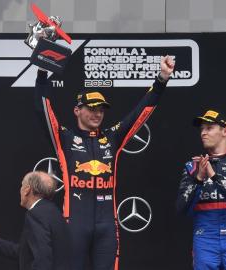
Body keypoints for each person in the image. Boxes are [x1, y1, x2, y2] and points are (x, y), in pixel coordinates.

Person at [35, 56, 175, 270]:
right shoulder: (64, 138)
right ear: (77, 110)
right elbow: (43, 109)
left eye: (101, 109)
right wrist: (42, 71)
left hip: (107, 227)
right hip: (74, 224)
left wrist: (161, 80)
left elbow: (141, 113)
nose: (97, 113)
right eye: (91, 108)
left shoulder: (112, 137)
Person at [176, 110, 226, 270]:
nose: (203, 133)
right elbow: (181, 208)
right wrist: (199, 178)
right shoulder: (193, 166)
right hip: (204, 238)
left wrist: (214, 176)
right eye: (201, 129)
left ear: (225, 131)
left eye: (209, 128)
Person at [0, 171, 70, 270]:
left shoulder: (36, 214)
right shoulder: (54, 212)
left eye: (22, 185)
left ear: (27, 190)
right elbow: (23, 253)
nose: (20, 190)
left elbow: (42, 257)